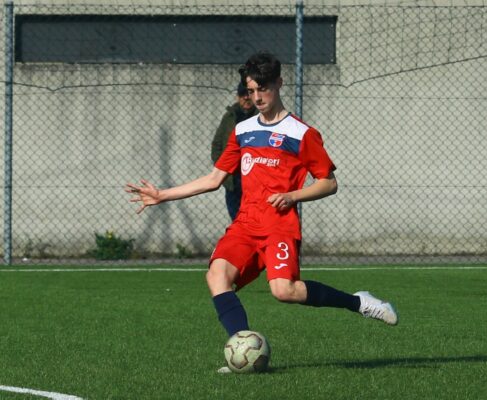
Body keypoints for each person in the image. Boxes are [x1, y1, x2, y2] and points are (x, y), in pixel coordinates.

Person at [126, 52, 397, 371]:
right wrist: (162, 195)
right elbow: (215, 179)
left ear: (279, 84)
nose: (257, 97)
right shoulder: (242, 131)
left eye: (262, 89)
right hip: (245, 225)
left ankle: (359, 302)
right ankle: (243, 351)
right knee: (217, 276)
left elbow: (328, 183)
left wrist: (293, 195)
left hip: (280, 227)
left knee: (285, 291)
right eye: (251, 91)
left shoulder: (301, 134)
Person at [211, 82, 258, 220]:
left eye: (249, 94)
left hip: (254, 179)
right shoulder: (230, 117)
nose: (246, 98)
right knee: (236, 219)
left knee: (254, 219)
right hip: (232, 180)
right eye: (242, 95)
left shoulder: (261, 116)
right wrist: (223, 169)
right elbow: (217, 144)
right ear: (237, 96)